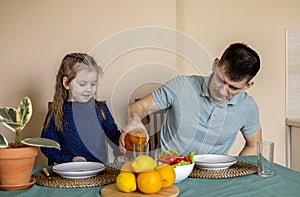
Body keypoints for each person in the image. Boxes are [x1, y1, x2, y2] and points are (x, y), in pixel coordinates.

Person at [120, 43, 262, 156]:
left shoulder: (247, 107)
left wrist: (240, 173)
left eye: (233, 88)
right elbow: (138, 107)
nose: (222, 90)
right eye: (220, 79)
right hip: (169, 172)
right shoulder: (182, 86)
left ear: (247, 86)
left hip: (213, 178)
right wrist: (134, 120)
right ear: (215, 64)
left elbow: (254, 145)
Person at [41, 53, 121, 164]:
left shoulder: (101, 109)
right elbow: (47, 146)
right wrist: (70, 159)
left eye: (93, 84)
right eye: (82, 84)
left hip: (98, 171)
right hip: (68, 171)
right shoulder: (56, 112)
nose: (89, 89)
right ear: (66, 83)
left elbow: (114, 135)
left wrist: (120, 154)